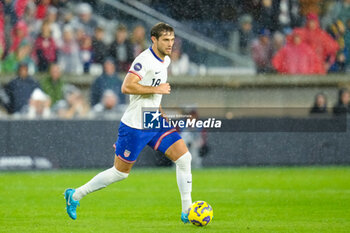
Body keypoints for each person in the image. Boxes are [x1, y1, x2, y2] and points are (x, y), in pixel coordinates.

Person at [64, 22, 193, 224]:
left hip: (153, 119)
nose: (170, 44)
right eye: (166, 40)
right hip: (135, 125)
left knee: (184, 158)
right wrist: (155, 90)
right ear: (154, 39)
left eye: (172, 40)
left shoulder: (165, 60)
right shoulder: (144, 60)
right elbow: (126, 86)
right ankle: (75, 195)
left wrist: (162, 114)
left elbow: (154, 94)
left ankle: (187, 211)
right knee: (120, 173)